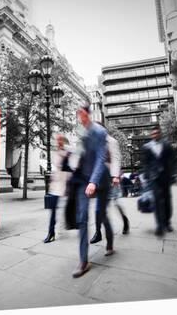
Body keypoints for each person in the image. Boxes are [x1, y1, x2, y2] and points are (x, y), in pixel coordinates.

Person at [70, 105, 111, 278]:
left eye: (83, 114)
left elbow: (101, 158)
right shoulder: (81, 132)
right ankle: (84, 261)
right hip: (82, 180)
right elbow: (78, 154)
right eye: (79, 115)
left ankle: (110, 242)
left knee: (100, 214)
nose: (81, 118)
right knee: (82, 219)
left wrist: (93, 181)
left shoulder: (100, 132)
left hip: (100, 180)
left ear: (88, 114)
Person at [90, 131, 129, 244]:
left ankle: (125, 220)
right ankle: (98, 232)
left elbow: (116, 159)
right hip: (101, 179)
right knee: (99, 208)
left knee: (117, 203)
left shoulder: (112, 141)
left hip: (112, 178)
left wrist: (116, 176)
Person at [142, 125, 174, 236]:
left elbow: (171, 161)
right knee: (157, 201)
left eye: (156, 133)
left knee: (167, 200)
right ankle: (159, 225)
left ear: (160, 134)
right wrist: (146, 177)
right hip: (153, 178)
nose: (154, 135)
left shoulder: (167, 145)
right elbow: (146, 163)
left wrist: (172, 174)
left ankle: (167, 222)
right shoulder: (147, 147)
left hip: (165, 177)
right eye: (153, 134)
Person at [43, 134, 72, 243]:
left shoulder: (68, 151)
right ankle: (51, 233)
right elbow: (56, 167)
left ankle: (64, 226)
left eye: (60, 140)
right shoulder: (56, 152)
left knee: (67, 207)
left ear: (64, 141)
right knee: (53, 208)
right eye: (57, 140)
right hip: (57, 183)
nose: (58, 142)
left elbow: (72, 167)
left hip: (66, 182)